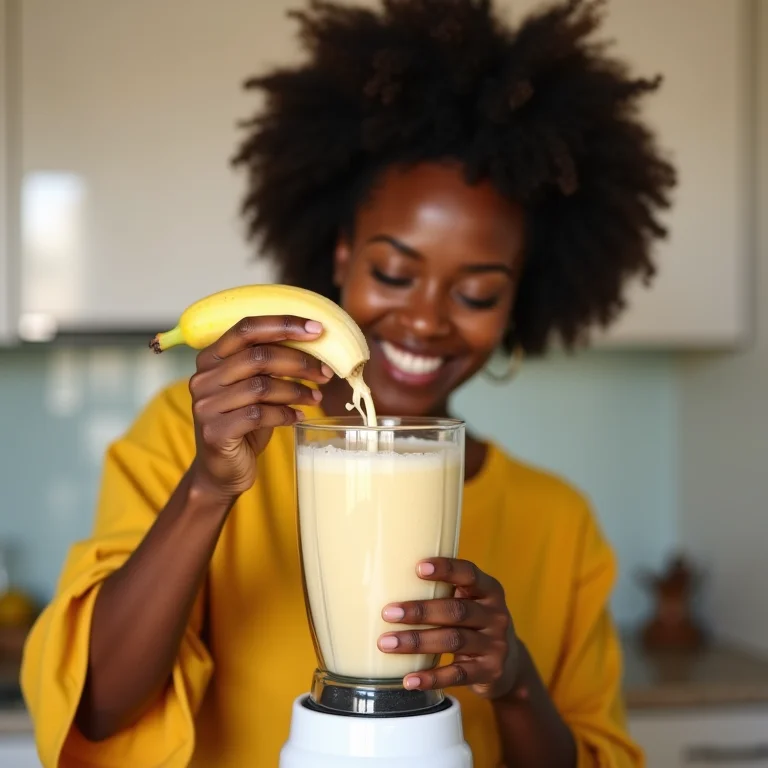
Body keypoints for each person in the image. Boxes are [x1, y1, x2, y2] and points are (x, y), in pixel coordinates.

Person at [20, 0, 676, 765]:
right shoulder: (195, 435)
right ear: (341, 255)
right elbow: (96, 707)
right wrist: (208, 485)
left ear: (519, 302)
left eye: (476, 293)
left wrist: (516, 682)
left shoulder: (557, 524)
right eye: (395, 273)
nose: (426, 321)